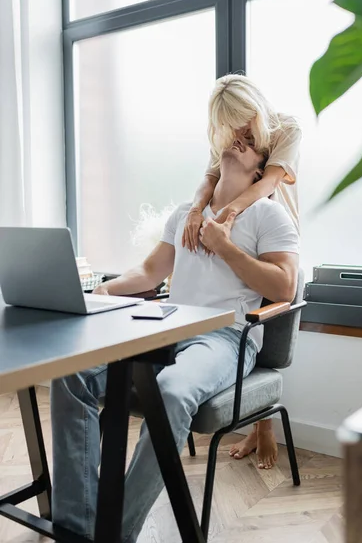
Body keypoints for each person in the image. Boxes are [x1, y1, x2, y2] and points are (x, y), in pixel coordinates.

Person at [51, 136, 299, 542]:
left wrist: (226, 247)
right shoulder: (187, 213)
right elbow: (150, 273)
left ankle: (115, 532)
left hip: (226, 337)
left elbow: (285, 287)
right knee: (71, 373)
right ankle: (77, 527)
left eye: (250, 141)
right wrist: (101, 292)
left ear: (260, 169)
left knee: (169, 392)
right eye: (233, 135)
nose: (237, 140)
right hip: (166, 326)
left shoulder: (269, 216)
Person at [182, 74, 301, 470]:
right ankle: (257, 425)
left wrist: (233, 212)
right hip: (234, 228)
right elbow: (209, 178)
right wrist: (198, 211)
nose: (238, 130)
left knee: (266, 320)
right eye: (229, 123)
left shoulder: (286, 127)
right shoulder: (226, 137)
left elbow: (268, 181)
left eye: (242, 119)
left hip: (271, 229)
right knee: (243, 316)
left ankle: (263, 427)